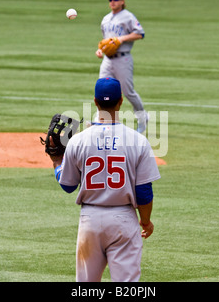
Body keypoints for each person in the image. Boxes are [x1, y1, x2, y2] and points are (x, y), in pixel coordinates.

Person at [48, 77, 161, 282]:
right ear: (120, 101)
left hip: (90, 220)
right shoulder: (138, 141)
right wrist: (146, 222)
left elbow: (67, 185)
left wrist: (57, 162)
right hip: (124, 220)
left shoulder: (78, 141)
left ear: (95, 102)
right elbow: (144, 192)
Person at [95, 0, 149, 133]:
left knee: (128, 91)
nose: (112, 2)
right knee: (101, 88)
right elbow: (105, 42)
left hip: (123, 59)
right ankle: (100, 121)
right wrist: (100, 50)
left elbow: (140, 33)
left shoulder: (128, 16)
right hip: (107, 60)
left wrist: (121, 39)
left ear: (122, 1)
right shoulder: (106, 19)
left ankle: (143, 118)